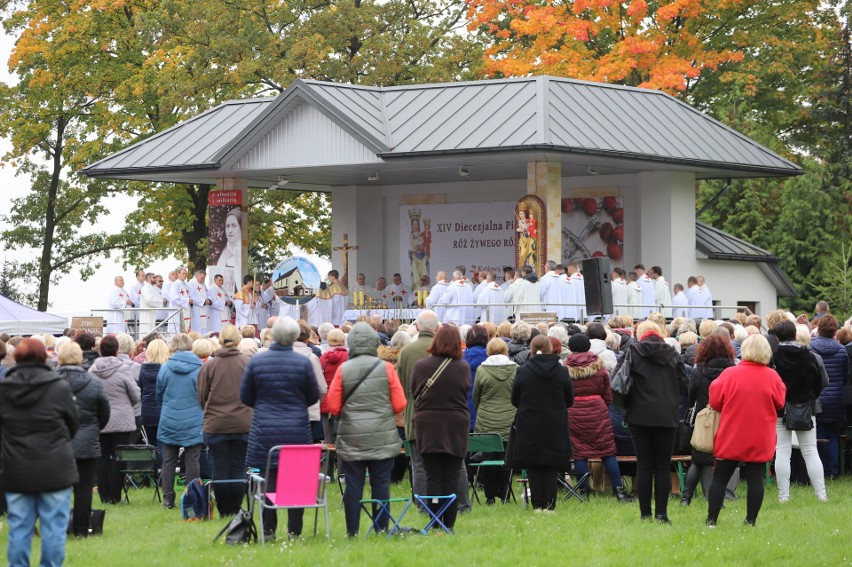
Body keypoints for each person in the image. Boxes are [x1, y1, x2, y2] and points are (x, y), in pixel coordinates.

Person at [0, 339, 79, 566]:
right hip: (55, 464)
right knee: (54, 527)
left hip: (16, 466)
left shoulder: (4, 390)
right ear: (44, 357)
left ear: (16, 358)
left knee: (19, 527)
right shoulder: (59, 387)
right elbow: (73, 423)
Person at [241, 317, 320, 539]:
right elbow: (313, 396)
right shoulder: (303, 362)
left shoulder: (257, 362)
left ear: (273, 335)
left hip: (264, 430)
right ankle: (294, 530)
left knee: (268, 482)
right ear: (294, 337)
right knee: (296, 482)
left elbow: (245, 396)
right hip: (296, 429)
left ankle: (268, 529)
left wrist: (264, 405)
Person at [326, 323, 407, 536]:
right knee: (381, 484)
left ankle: (352, 531)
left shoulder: (344, 369)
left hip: (352, 436)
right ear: (374, 343)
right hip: (382, 435)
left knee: (353, 484)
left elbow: (333, 406)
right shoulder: (387, 368)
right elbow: (400, 404)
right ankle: (381, 529)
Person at [706, 334, 785, 526]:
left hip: (732, 433)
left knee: (720, 477)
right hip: (760, 434)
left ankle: (711, 520)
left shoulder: (730, 374)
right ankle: (750, 520)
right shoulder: (773, 376)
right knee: (755, 478)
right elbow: (780, 403)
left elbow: (715, 401)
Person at [612, 320, 687, 523]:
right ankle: (661, 514)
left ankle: (645, 515)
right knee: (663, 465)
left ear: (640, 334)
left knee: (644, 465)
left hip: (639, 415)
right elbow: (684, 384)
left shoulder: (632, 352)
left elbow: (618, 380)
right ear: (660, 333)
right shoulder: (673, 354)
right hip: (666, 414)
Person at [410, 325, 470, 530]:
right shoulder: (462, 367)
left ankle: (435, 521)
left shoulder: (420, 366)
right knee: (452, 475)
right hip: (455, 425)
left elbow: (414, 391)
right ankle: (449, 522)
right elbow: (465, 391)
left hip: (428, 425)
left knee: (432, 475)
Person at [564, 334, 633, 502]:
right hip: (598, 410)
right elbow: (607, 394)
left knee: (580, 453)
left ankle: (584, 491)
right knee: (607, 452)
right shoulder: (599, 366)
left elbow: (563, 393)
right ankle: (619, 491)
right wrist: (601, 405)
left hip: (574, 412)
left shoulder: (565, 368)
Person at [510, 335, 573, 511]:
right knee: (551, 466)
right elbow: (569, 400)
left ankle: (538, 505)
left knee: (534, 465)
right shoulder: (562, 371)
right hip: (555, 423)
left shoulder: (523, 371)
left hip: (530, 423)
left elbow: (515, 399)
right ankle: (550, 506)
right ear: (550, 348)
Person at [196, 325, 252, 516]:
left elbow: (202, 396)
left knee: (219, 467)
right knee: (237, 467)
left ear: (220, 341)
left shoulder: (209, 366)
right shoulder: (247, 363)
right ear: (238, 341)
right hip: (243, 424)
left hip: (216, 424)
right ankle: (235, 509)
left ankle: (224, 510)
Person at [56, 342, 110, 537]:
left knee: (58, 487)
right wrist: (93, 429)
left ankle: (58, 528)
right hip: (87, 441)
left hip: (58, 442)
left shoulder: (50, 382)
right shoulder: (93, 382)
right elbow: (104, 412)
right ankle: (80, 529)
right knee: (84, 488)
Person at [771, 320, 826, 502]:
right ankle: (821, 494)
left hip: (780, 409)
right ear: (794, 333)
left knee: (782, 452)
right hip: (806, 407)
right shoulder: (809, 356)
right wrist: (810, 398)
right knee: (811, 451)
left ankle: (783, 495)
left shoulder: (774, 357)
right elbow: (819, 383)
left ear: (777, 336)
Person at [681, 334, 737, 506]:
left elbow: (691, 396)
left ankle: (686, 497)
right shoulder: (733, 370)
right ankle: (724, 494)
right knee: (725, 458)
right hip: (728, 417)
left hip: (704, 417)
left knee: (698, 460)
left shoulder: (699, 370)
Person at [89, 335, 141, 504]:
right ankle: (115, 495)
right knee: (119, 458)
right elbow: (136, 395)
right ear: (117, 350)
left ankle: (104, 495)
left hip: (100, 420)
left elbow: (89, 396)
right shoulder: (123, 370)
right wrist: (126, 405)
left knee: (102, 458)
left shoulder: (92, 371)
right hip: (121, 420)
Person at [157, 333, 204, 509]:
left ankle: (168, 498)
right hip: (193, 417)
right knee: (193, 459)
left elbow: (159, 394)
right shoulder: (200, 368)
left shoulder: (165, 367)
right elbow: (204, 394)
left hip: (170, 417)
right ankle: (192, 497)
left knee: (168, 459)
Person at [472, 338, 517, 503]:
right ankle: (506, 493)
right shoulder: (516, 369)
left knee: (488, 459)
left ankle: (490, 496)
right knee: (507, 458)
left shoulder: (481, 370)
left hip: (486, 420)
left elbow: (476, 396)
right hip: (509, 420)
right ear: (506, 350)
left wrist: (483, 410)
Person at [809, 315, 848, 479]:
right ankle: (833, 470)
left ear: (818, 329)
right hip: (836, 399)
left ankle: (821, 470)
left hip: (817, 397)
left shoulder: (810, 348)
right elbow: (845, 376)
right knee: (833, 435)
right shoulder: (841, 350)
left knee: (817, 436)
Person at [139, 338, 169, 466]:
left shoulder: (143, 369)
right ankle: (162, 473)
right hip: (164, 411)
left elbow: (140, 388)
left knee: (150, 444)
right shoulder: (167, 370)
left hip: (147, 411)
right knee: (163, 445)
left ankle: (152, 472)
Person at [319, 329, 349, 444]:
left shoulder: (323, 358)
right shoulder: (347, 357)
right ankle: (341, 460)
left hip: (326, 399)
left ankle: (328, 460)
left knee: (327, 437)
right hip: (342, 400)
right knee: (342, 436)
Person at [212, 208, 243, 296]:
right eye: (227, 226)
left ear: (240, 227)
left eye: (234, 225)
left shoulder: (242, 254)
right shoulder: (221, 253)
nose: (230, 230)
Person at [168, 267, 192, 334]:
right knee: (179, 330)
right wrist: (187, 301)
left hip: (186, 310)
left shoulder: (186, 285)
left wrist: (190, 300)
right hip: (178, 311)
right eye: (183, 273)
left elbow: (189, 296)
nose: (185, 275)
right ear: (178, 274)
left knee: (186, 329)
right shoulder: (175, 284)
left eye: (186, 274)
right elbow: (174, 298)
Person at [140, 272, 161, 336]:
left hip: (152, 313)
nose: (155, 279)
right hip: (147, 314)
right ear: (149, 278)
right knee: (147, 332)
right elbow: (149, 300)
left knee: (152, 331)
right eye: (154, 277)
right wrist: (160, 301)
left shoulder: (153, 288)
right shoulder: (146, 287)